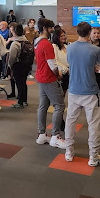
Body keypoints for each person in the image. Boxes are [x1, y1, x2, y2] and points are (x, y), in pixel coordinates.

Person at [65, 22, 100, 166]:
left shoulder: (69, 48)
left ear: (77, 32)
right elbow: (96, 68)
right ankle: (93, 157)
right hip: (90, 91)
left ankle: (69, 152)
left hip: (73, 90)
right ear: (89, 33)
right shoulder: (95, 50)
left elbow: (71, 64)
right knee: (93, 125)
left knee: (70, 121)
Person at [34, 18, 66, 149]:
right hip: (49, 78)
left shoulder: (37, 42)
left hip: (41, 77)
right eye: (51, 28)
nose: (53, 30)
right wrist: (58, 75)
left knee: (43, 105)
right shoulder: (46, 44)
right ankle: (55, 136)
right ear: (45, 29)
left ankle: (42, 134)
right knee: (59, 106)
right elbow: (52, 64)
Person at [8, 24, 30, 109]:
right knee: (24, 82)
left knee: (19, 83)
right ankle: (24, 100)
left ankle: (20, 102)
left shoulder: (15, 43)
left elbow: (12, 57)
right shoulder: (26, 41)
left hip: (17, 65)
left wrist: (10, 65)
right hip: (26, 65)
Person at [52, 28, 69, 130]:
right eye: (61, 36)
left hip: (68, 75)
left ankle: (61, 119)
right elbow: (56, 62)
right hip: (60, 75)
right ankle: (59, 121)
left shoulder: (67, 47)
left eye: (64, 35)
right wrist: (65, 70)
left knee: (63, 99)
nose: (63, 37)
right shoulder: (54, 47)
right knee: (59, 100)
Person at [5, 22, 17, 98]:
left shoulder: (17, 38)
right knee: (11, 76)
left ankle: (19, 93)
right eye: (10, 27)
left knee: (16, 76)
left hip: (15, 57)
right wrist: (9, 40)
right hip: (8, 54)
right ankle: (13, 92)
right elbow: (5, 44)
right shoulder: (9, 36)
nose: (10, 29)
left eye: (12, 27)